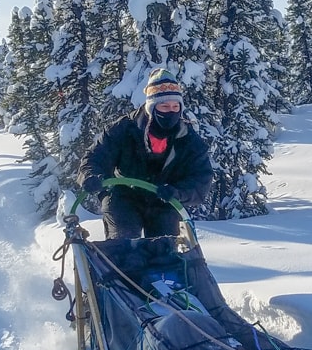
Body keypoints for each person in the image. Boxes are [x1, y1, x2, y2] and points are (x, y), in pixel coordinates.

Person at [79, 69, 214, 240]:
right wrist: (91, 176)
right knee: (125, 244)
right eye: (164, 106)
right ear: (151, 107)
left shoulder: (188, 139)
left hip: (164, 201)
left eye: (175, 106)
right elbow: (95, 157)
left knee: (163, 252)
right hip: (123, 197)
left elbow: (201, 179)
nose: (171, 112)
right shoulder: (124, 129)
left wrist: (178, 192)